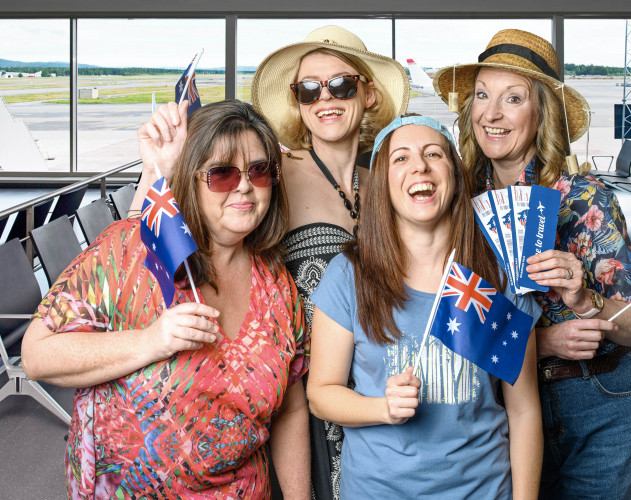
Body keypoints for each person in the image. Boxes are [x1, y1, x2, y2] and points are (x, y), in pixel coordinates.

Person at [132, 26, 409, 499]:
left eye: (341, 85)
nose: (326, 98)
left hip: (380, 391)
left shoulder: (386, 181)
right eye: (309, 88)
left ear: (368, 94)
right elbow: (151, 240)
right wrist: (156, 169)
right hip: (295, 395)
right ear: (296, 101)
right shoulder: (269, 173)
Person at [21, 100, 311, 499]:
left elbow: (291, 408)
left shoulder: (278, 285)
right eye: (222, 173)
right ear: (190, 180)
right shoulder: (131, 249)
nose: (244, 185)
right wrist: (150, 341)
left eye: (258, 170)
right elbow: (37, 355)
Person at [434, 29, 631, 499]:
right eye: (481, 96)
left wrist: (585, 298)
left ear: (542, 112)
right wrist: (542, 342)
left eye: (512, 99)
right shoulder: (461, 203)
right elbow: (456, 324)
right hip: (508, 402)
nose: (491, 114)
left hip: (601, 401)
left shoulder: (585, 199)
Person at [306, 114, 543, 499]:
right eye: (401, 158)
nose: (419, 165)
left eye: (433, 153)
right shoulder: (348, 274)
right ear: (383, 183)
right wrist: (383, 408)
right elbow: (320, 394)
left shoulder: (497, 277)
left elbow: (524, 411)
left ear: (454, 175)